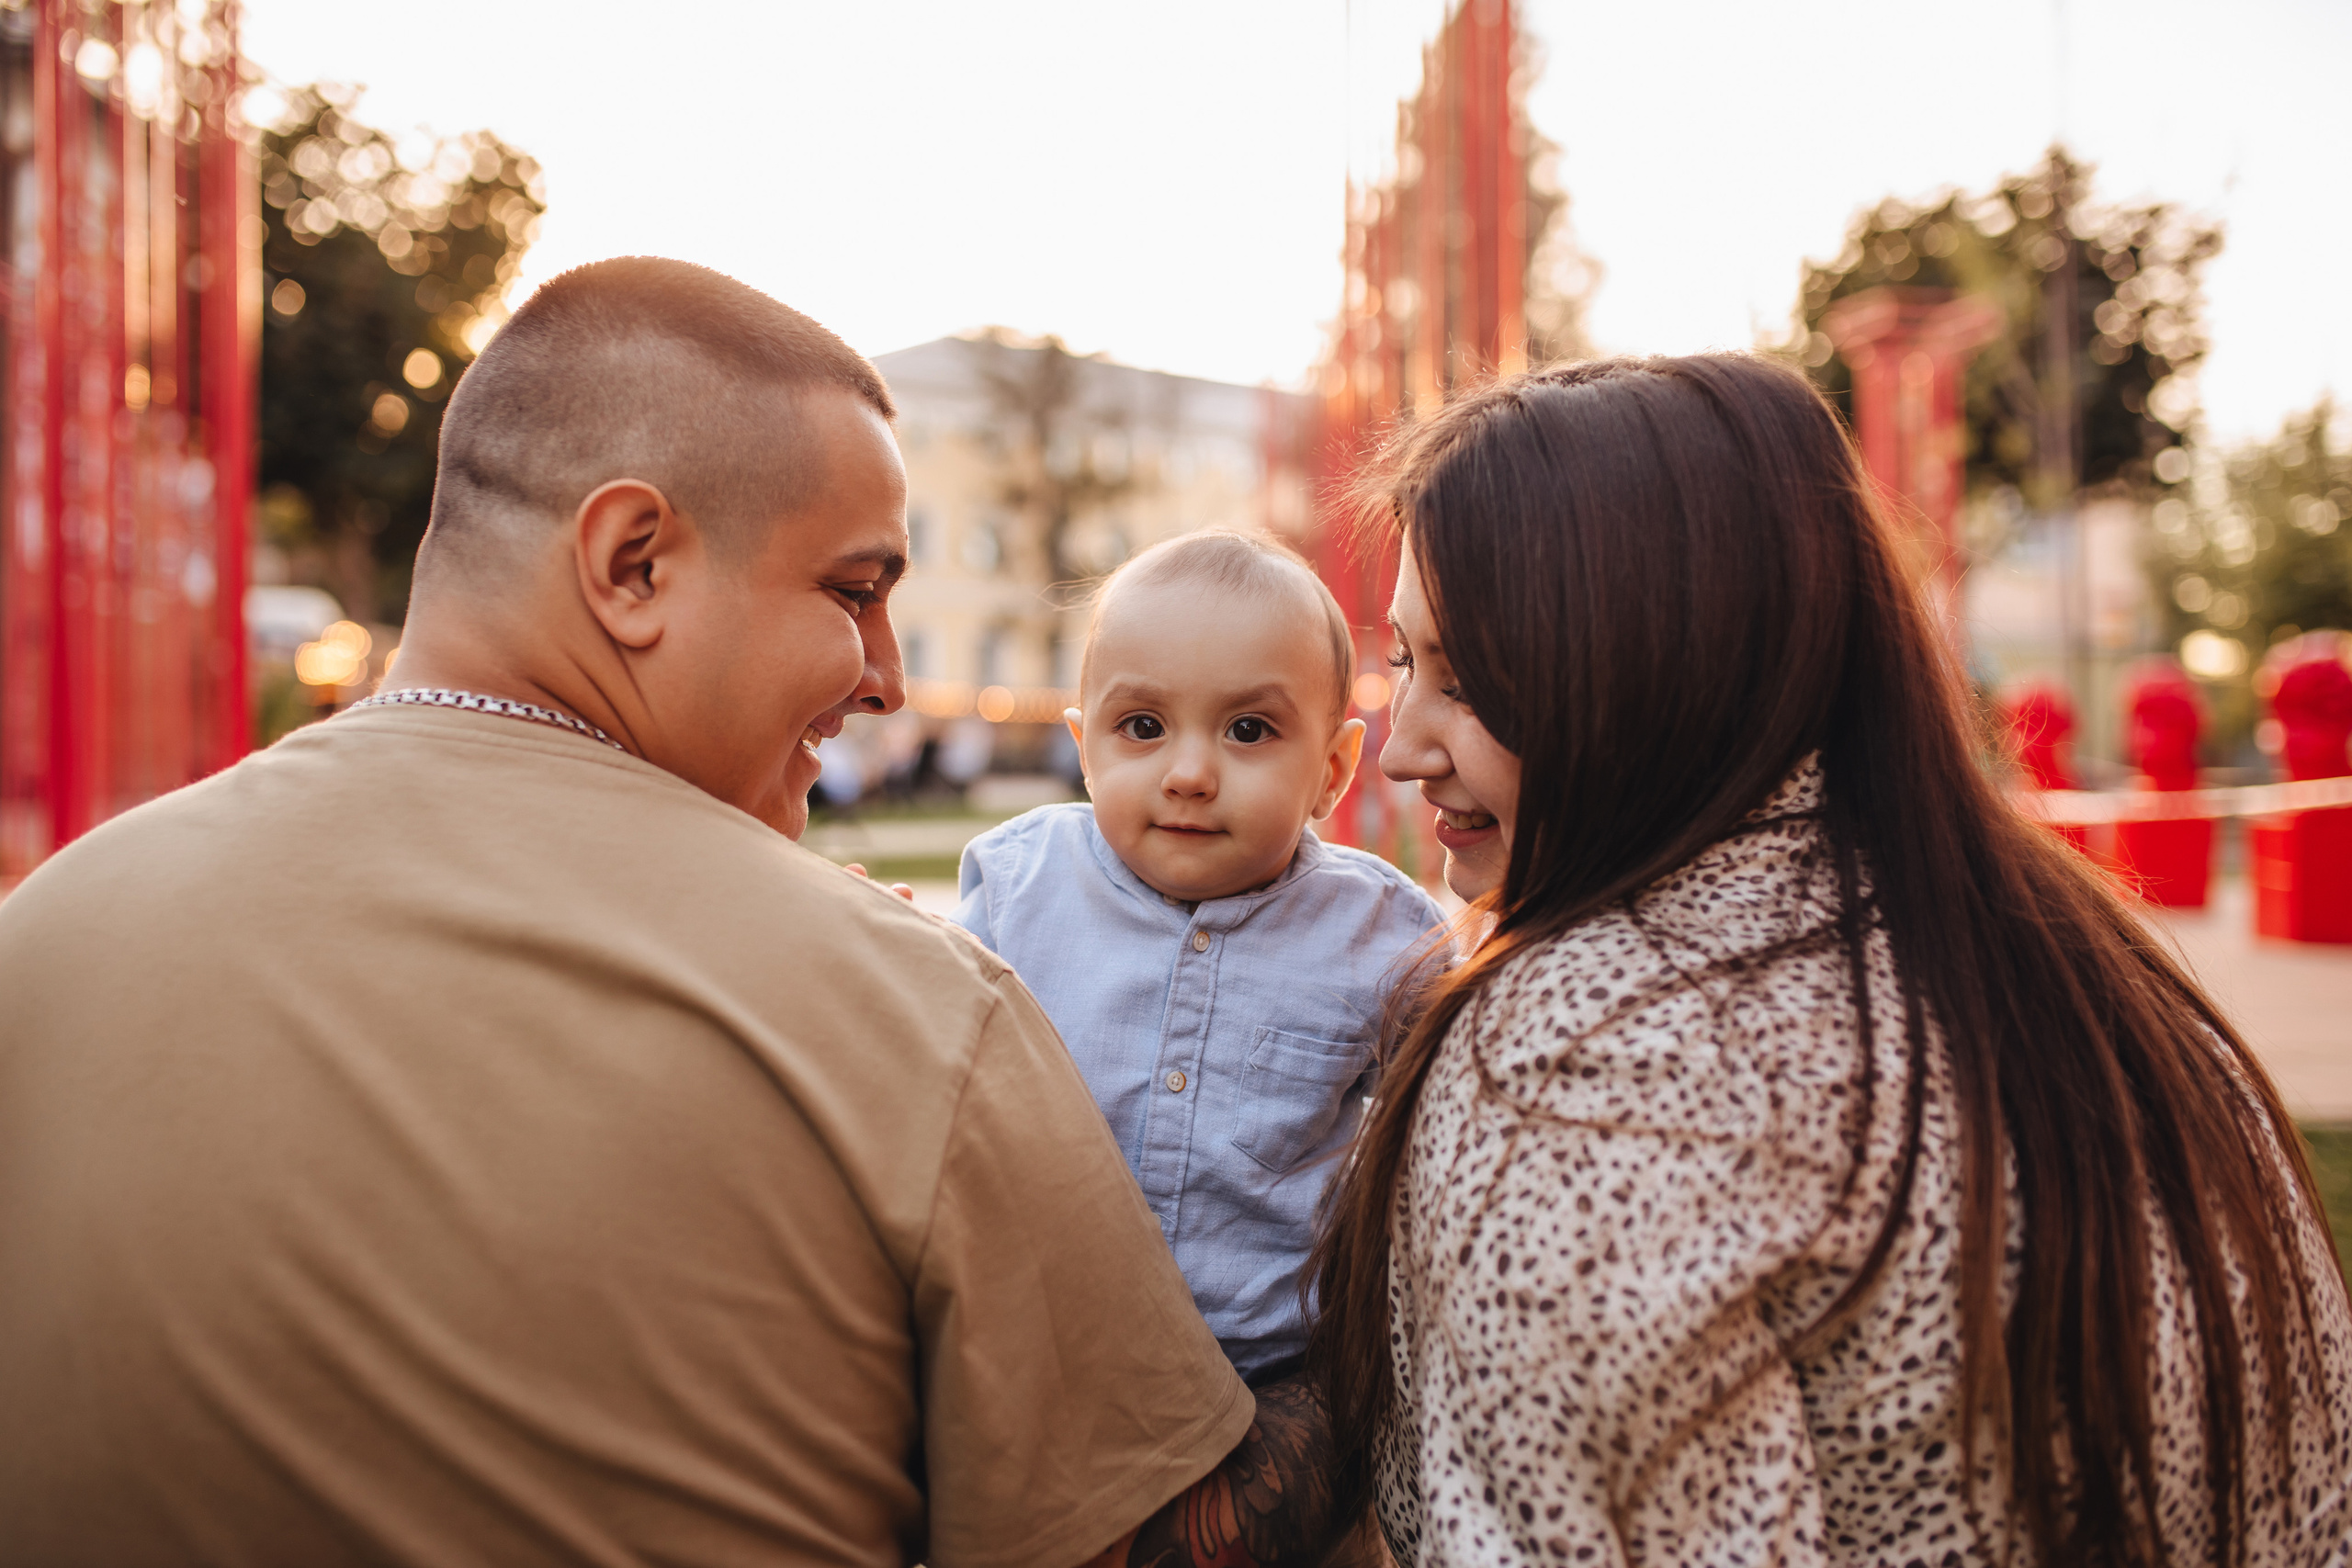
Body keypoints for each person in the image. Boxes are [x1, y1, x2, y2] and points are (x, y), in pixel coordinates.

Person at [0, 257, 1340, 1568]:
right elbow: (1182, 1537)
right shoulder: (901, 1009)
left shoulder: (42, 939)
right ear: (631, 561)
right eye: (856, 591)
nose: (884, 677)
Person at [1309, 355, 2352, 1566]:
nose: (1402, 748)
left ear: (1653, 663)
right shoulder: (2070, 949)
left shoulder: (1594, 1060)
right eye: (1406, 665)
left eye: (1470, 679)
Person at [951, 532, 1446, 1384]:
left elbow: (1445, 1135)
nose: (1188, 772)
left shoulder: (1380, 929)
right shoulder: (1016, 884)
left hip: (1266, 1379)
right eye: (1141, 727)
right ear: (1085, 746)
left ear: (1331, 769)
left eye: (1248, 730)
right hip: (1032, 1361)